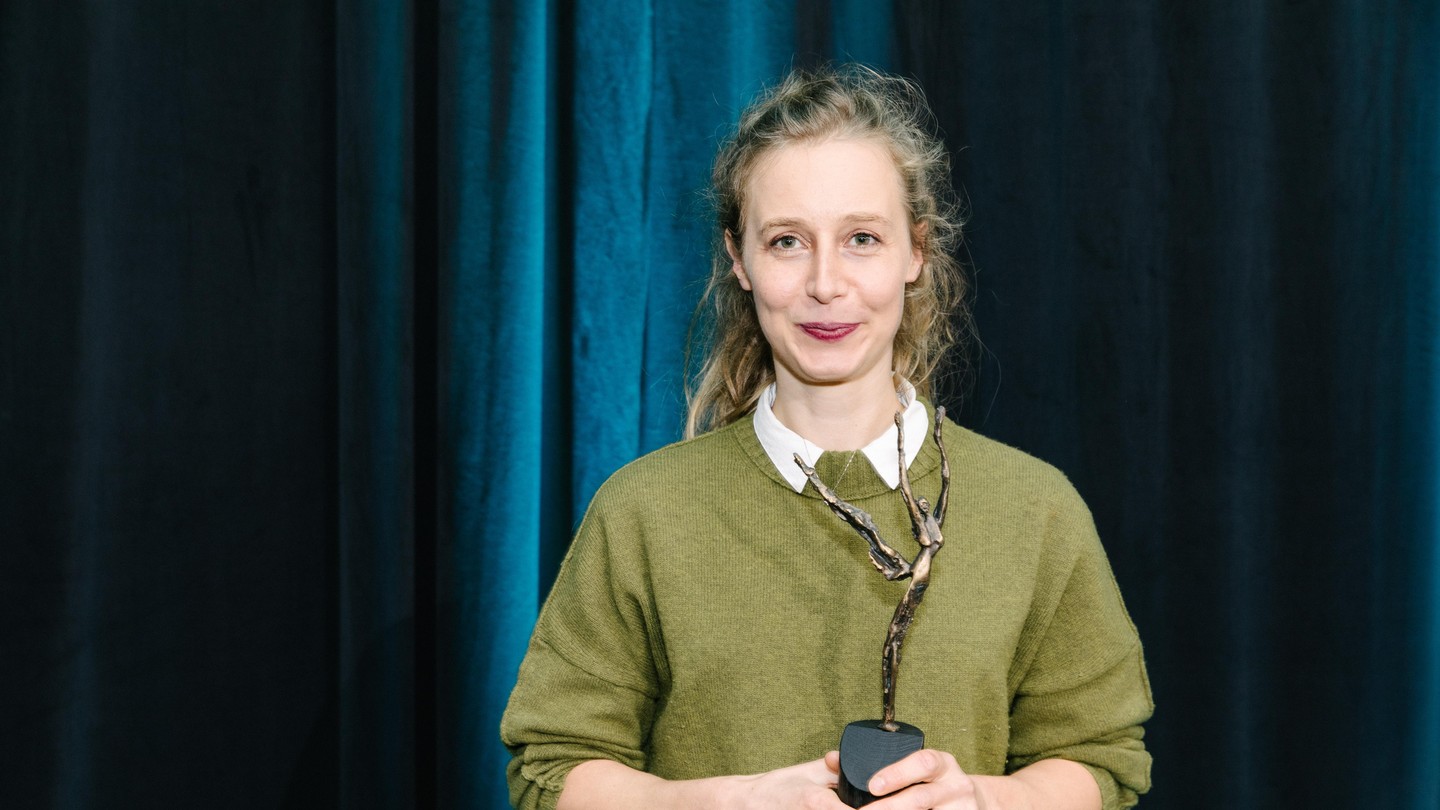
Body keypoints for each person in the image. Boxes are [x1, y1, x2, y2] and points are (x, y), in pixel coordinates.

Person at [501, 65, 1153, 809]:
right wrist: (732, 803)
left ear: (917, 253)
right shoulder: (642, 512)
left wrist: (981, 800)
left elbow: (1102, 761)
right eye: (786, 241)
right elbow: (551, 769)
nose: (824, 282)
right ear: (739, 260)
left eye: (862, 239)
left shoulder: (1035, 510)